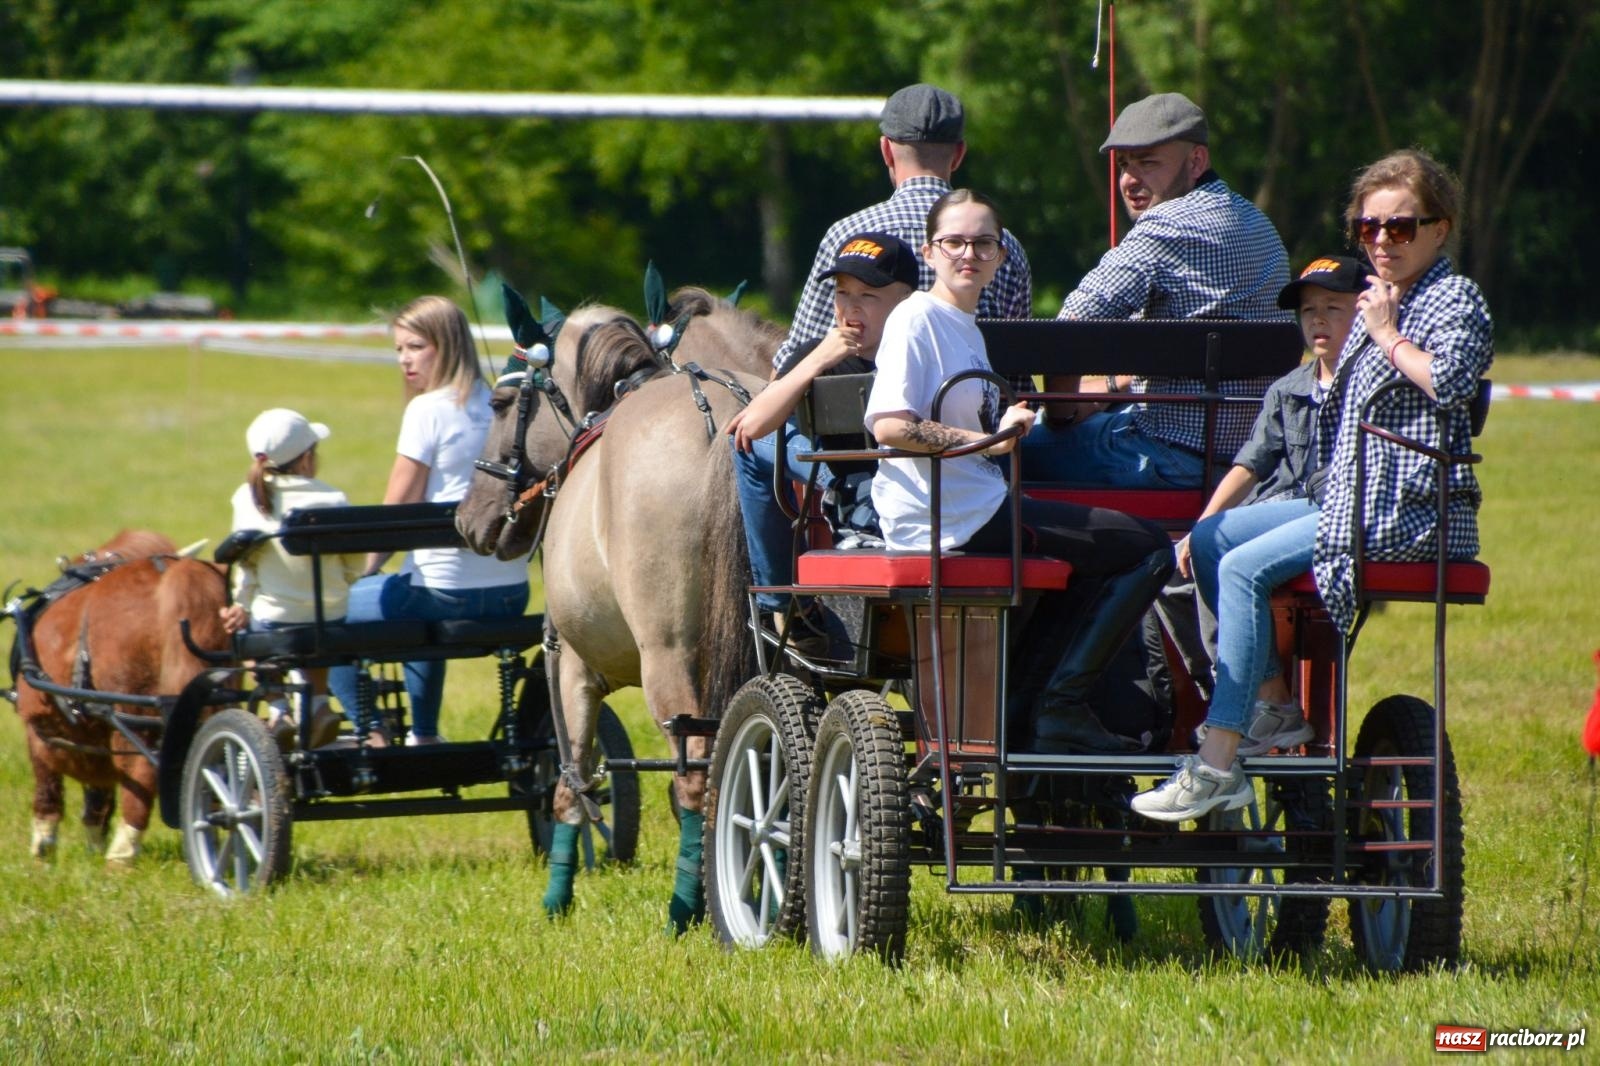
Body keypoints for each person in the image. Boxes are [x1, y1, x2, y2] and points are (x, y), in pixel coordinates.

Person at [1132, 148, 1493, 821]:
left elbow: (1451, 384)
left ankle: (1218, 761)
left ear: (1440, 230)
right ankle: (1272, 704)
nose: (1382, 241)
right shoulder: (1382, 301)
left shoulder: (1450, 300)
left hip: (1403, 511)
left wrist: (1383, 335)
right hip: (1345, 500)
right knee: (1212, 540)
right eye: (1368, 228)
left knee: (1240, 569)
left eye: (1401, 227)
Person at [864, 189, 1174, 753]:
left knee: (1096, 560)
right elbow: (889, 426)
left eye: (983, 243)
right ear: (928, 251)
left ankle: (1035, 715)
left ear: (1001, 256)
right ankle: (1058, 709)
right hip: (954, 516)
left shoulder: (966, 327)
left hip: (975, 505)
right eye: (954, 242)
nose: (968, 253)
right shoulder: (916, 318)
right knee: (1149, 547)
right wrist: (990, 438)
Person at [1024, 92, 1292, 488]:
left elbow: (1069, 330)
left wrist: (1062, 415)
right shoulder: (1260, 226)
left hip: (1168, 457)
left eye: (1148, 162)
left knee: (1005, 452)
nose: (1130, 180)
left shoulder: (1165, 224)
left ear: (1196, 161)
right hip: (1251, 462)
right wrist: (1111, 389)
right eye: (1123, 164)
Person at [1158, 255, 1369, 703]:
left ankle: (1260, 697)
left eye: (1333, 307)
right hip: (1276, 510)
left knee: (1230, 564)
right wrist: (1200, 529)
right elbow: (1249, 464)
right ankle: (1223, 683)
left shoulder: (1370, 385)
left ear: (1364, 310)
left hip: (1331, 517)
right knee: (1174, 571)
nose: (1318, 320)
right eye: (1309, 310)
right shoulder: (1288, 387)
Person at [328, 296, 531, 746]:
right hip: (511, 596)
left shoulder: (427, 410)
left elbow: (396, 513)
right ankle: (422, 735)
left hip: (443, 597)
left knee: (324, 614)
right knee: (415, 580)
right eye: (399, 348)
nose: (404, 359)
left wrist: (358, 576)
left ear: (447, 344)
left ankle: (370, 730)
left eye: (415, 346)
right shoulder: (503, 404)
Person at [727, 231, 917, 649]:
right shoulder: (820, 355)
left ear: (907, 301)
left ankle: (781, 600)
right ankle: (784, 603)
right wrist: (818, 359)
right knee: (746, 442)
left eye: (868, 295)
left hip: (904, 490)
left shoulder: (923, 352)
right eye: (842, 293)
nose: (850, 306)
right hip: (850, 481)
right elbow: (750, 426)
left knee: (749, 448)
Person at [771, 84, 1033, 381]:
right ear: (958, 154)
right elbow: (1017, 358)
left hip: (860, 416)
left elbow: (796, 356)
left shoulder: (847, 233)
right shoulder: (1002, 245)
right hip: (986, 415)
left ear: (886, 150)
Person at [219, 407, 360, 748]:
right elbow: (354, 563)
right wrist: (344, 579)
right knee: (318, 628)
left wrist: (242, 604)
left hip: (275, 620)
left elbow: (247, 563)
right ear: (306, 458)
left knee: (246, 634)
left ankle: (279, 708)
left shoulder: (247, 500)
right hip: (331, 618)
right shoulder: (333, 499)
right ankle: (319, 703)